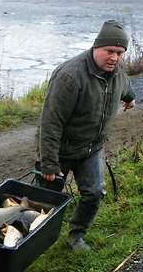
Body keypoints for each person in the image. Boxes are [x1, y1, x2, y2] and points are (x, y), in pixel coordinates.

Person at [37, 19, 136, 251]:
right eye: (109, 51)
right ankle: (35, 242)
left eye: (120, 53)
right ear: (96, 47)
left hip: (92, 148)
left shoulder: (117, 70)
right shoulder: (70, 76)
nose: (114, 57)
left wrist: (129, 97)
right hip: (60, 150)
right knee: (44, 201)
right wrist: (49, 163)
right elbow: (50, 122)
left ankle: (76, 236)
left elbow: (124, 84)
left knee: (94, 193)